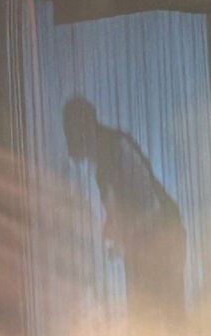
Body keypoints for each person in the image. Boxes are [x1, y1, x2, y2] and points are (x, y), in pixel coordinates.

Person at [61, 96, 187, 319]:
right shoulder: (104, 158)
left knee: (163, 316)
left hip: (163, 239)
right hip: (147, 242)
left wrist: (123, 235)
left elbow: (149, 207)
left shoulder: (115, 148)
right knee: (144, 317)